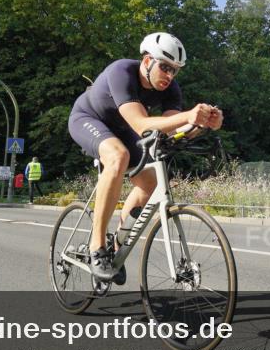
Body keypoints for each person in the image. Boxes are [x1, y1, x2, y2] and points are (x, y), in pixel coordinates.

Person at [67, 32, 223, 283]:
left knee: (150, 183)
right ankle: (97, 246)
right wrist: (188, 115)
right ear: (148, 61)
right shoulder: (122, 72)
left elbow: (172, 130)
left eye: (175, 70)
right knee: (118, 156)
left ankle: (116, 246)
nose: (170, 76)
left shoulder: (171, 88)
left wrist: (204, 125)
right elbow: (141, 124)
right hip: (89, 119)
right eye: (165, 67)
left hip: (122, 129)